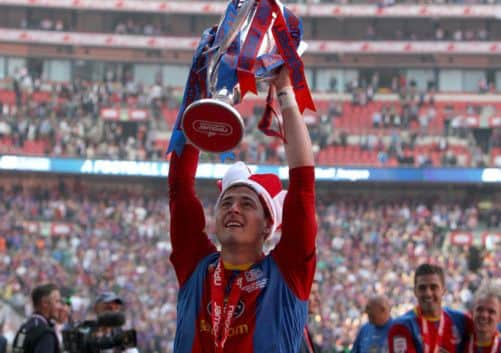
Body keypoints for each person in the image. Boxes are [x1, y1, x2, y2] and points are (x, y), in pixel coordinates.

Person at [168, 67, 317, 353]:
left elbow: (303, 185)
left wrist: (285, 91)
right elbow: (180, 189)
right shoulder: (195, 266)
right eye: (226, 202)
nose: (233, 208)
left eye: (247, 204)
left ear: (267, 225)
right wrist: (199, 104)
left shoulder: (287, 273)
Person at [388, 263, 472, 353]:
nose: (428, 293)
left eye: (433, 287)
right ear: (415, 291)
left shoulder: (462, 320)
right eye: (422, 288)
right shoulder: (402, 326)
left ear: (443, 290)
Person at [12, 283, 63, 353]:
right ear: (45, 302)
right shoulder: (45, 333)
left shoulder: (24, 327)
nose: (60, 306)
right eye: (57, 301)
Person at [465, 281, 500, 353]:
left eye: (491, 311)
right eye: (479, 309)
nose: (484, 315)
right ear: (472, 312)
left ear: (500, 317)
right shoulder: (459, 342)